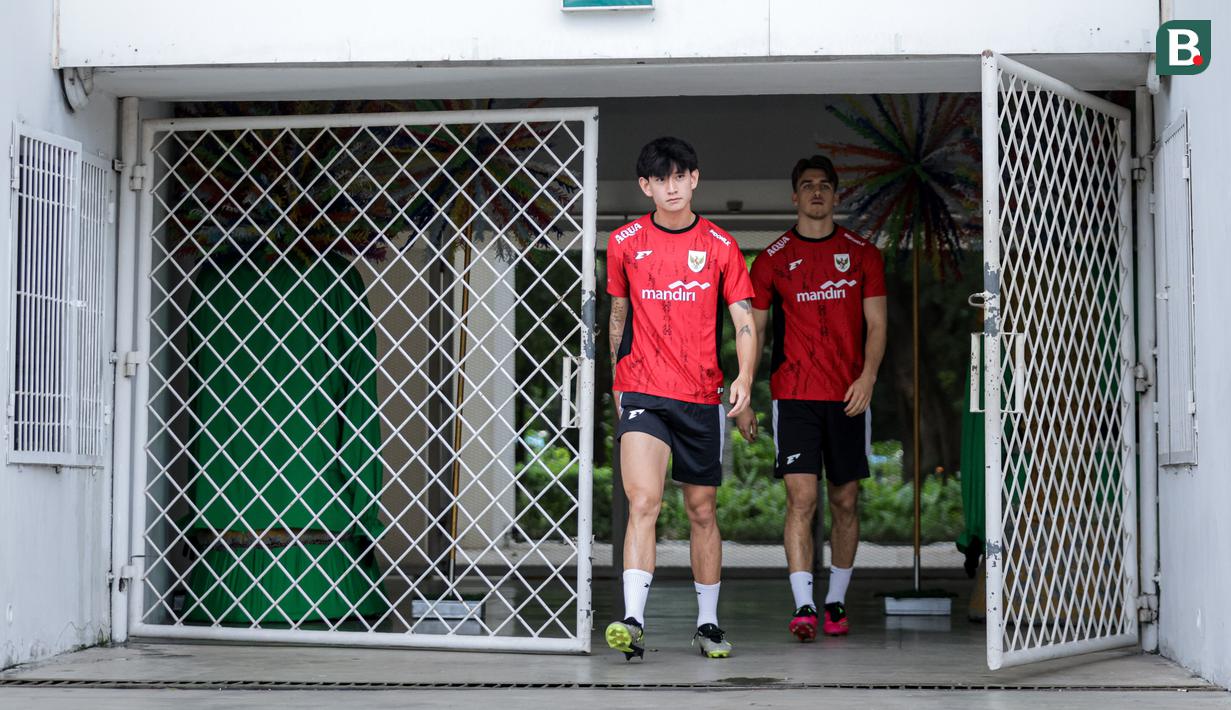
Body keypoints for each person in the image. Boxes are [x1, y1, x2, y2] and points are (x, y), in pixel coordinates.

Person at [605, 136, 758, 660]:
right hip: (644, 390)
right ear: (645, 186)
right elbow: (618, 315)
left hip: (700, 396)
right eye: (660, 179)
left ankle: (708, 624)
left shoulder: (721, 246)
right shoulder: (624, 241)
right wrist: (616, 380)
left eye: (680, 176)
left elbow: (743, 320)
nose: (671, 187)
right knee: (643, 501)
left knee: (701, 510)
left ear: (695, 179)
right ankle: (633, 620)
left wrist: (745, 378)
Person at [736, 155, 887, 642]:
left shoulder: (862, 252)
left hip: (848, 395)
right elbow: (752, 330)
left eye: (825, 185)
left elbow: (878, 324)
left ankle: (836, 601)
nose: (817, 192)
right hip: (795, 395)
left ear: (836, 195)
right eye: (807, 185)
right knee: (801, 498)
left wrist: (867, 377)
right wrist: (744, 393)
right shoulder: (773, 259)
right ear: (794, 196)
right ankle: (803, 606)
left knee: (845, 499)